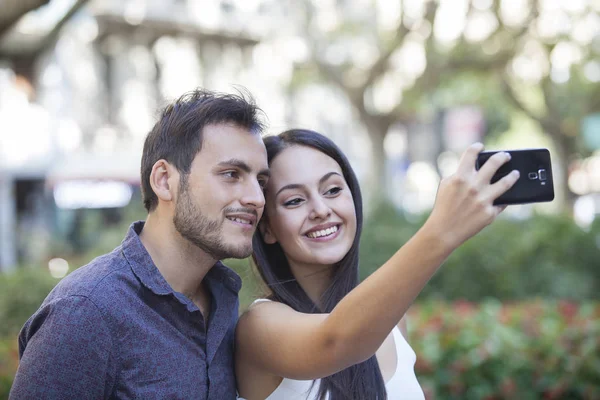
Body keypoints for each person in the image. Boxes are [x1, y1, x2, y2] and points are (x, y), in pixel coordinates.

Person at [10, 88, 270, 399]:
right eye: (231, 174)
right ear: (163, 180)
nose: (256, 198)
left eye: (261, 181)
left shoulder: (222, 300)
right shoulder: (85, 312)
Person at [235, 129, 520, 400]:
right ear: (267, 229)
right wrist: (442, 230)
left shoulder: (391, 321)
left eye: (333, 190)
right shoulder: (258, 326)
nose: (321, 210)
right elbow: (335, 341)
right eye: (295, 200)